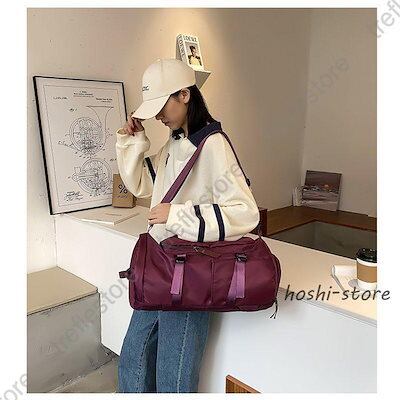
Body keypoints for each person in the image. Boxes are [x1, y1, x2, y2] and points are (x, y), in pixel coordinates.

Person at [115, 58, 260, 393]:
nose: (158, 117)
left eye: (161, 106)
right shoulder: (176, 141)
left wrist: (177, 215)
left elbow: (245, 212)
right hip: (159, 266)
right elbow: (143, 184)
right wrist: (132, 141)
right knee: (134, 359)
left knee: (173, 376)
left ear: (184, 95)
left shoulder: (213, 144)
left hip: (192, 270)